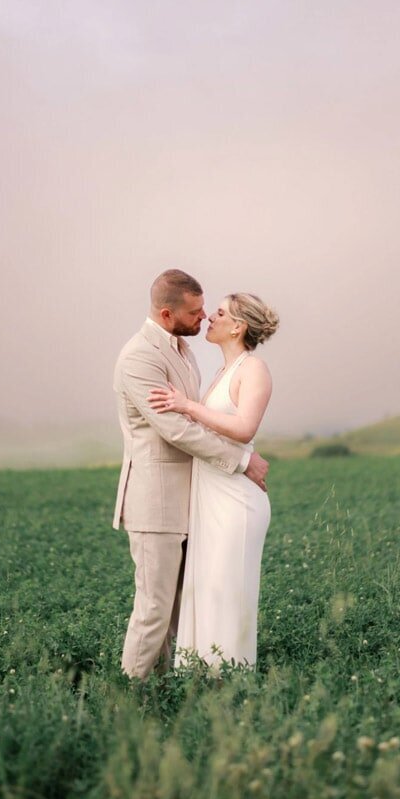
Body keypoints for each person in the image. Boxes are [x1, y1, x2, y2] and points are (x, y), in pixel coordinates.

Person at [113, 270, 271, 680]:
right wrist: (241, 461)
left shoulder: (183, 351)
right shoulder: (139, 357)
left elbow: (206, 420)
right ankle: (129, 696)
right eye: (198, 312)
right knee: (153, 609)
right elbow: (176, 428)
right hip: (157, 502)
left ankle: (173, 690)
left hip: (199, 501)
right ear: (168, 313)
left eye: (211, 311)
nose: (204, 319)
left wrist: (236, 454)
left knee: (184, 606)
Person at [148, 292, 278, 668]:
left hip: (236, 500)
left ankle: (229, 684)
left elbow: (244, 427)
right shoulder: (222, 372)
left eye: (219, 314)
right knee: (206, 593)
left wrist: (187, 406)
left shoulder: (254, 369)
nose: (210, 318)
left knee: (227, 594)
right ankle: (201, 683)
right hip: (211, 498)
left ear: (239, 327)